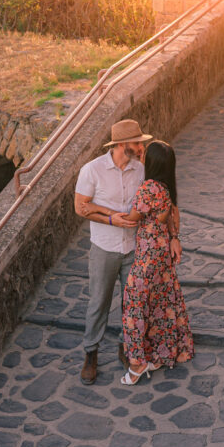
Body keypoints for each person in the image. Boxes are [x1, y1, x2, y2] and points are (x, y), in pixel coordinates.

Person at [73, 119, 151, 385]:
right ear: (120, 145)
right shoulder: (92, 170)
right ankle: (91, 353)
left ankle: (125, 346)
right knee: (98, 303)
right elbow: (80, 207)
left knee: (131, 304)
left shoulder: (140, 170)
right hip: (104, 247)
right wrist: (110, 219)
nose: (141, 147)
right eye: (137, 143)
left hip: (133, 246)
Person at [112, 140, 193, 385]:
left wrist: (102, 213)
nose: (141, 154)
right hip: (162, 255)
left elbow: (133, 218)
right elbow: (173, 214)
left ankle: (137, 364)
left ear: (153, 162)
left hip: (147, 256)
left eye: (145, 153)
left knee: (134, 304)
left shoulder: (148, 187)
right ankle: (160, 354)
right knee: (160, 302)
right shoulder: (167, 188)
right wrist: (175, 238)